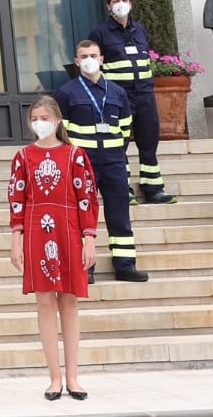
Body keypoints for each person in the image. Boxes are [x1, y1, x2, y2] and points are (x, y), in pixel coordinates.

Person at [10, 96, 98, 400]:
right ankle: (54, 377)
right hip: (37, 232)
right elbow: (16, 201)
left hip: (69, 230)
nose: (40, 123)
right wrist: (16, 242)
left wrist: (90, 240)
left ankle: (73, 375)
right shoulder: (23, 157)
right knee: (45, 302)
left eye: (45, 117)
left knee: (69, 301)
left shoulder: (75, 155)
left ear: (58, 119)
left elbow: (87, 198)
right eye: (34, 118)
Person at [61, 39, 149, 282]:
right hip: (82, 165)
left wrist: (116, 156)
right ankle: (84, 267)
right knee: (81, 215)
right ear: (77, 62)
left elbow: (124, 129)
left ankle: (125, 265)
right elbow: (63, 134)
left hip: (113, 163)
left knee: (119, 213)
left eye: (93, 55)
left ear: (101, 59)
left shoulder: (118, 93)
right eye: (84, 56)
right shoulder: (66, 93)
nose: (89, 60)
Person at [90, 0, 175, 204]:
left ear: (131, 4)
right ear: (109, 6)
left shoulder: (140, 30)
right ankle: (122, 188)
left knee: (149, 141)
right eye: (116, 1)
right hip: (119, 96)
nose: (120, 4)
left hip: (145, 94)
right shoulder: (100, 34)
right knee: (119, 143)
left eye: (124, 0)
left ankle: (153, 187)